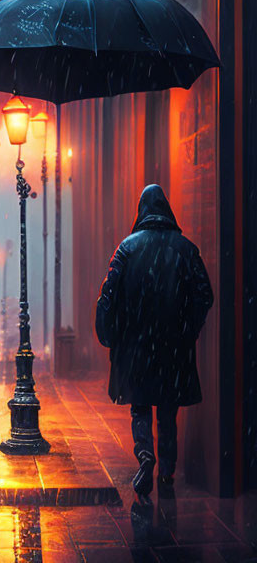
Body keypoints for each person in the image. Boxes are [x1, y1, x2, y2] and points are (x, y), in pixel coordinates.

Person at [95, 184, 213, 499]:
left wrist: (109, 333)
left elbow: (108, 296)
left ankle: (145, 453)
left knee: (140, 407)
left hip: (137, 346)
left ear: (142, 211)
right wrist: (189, 328)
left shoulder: (126, 248)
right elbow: (205, 294)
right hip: (172, 346)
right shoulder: (185, 249)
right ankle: (168, 473)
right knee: (168, 411)